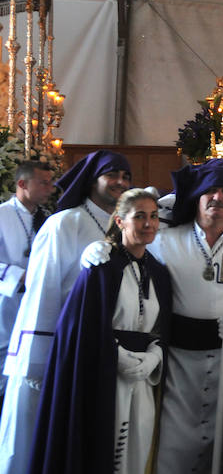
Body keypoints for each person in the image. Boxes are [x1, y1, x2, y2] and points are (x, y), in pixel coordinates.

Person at [115, 158, 223, 473]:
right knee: (173, 440)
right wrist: (104, 250)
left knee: (217, 443)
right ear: (197, 197)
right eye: (211, 190)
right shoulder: (164, 241)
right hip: (175, 361)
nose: (219, 197)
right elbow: (130, 259)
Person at [0, 150, 132, 474]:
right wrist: (37, 358)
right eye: (111, 174)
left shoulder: (123, 226)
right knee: (32, 432)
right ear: (91, 180)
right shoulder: (64, 223)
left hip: (97, 349)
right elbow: (42, 292)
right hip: (57, 347)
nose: (120, 181)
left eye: (126, 176)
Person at [29, 188, 173, 474]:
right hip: (104, 374)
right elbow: (82, 326)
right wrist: (118, 356)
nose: (149, 224)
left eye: (154, 216)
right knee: (107, 450)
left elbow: (161, 327)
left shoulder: (158, 271)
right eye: (140, 216)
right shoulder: (101, 266)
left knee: (139, 447)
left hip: (143, 377)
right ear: (120, 221)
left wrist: (154, 357)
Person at [0, 161, 53, 405]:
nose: (50, 188)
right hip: (5, 306)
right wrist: (20, 276)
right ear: (22, 184)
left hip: (35, 306)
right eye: (43, 183)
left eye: (50, 182)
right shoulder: (2, 215)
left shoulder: (49, 220)